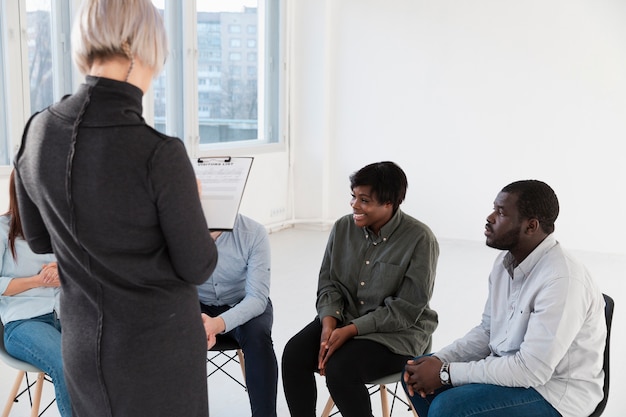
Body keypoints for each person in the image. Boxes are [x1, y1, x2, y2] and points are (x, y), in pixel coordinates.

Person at [13, 1, 218, 416]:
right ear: (140, 46)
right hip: (159, 354)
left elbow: (37, 239)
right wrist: (192, 204)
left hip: (83, 345)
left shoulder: (36, 131)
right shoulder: (160, 153)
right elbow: (198, 266)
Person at [402, 180, 606, 417]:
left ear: (531, 226)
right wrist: (439, 360)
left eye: (501, 213)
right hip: (511, 373)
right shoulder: (504, 264)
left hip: (555, 394)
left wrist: (445, 372)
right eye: (493, 209)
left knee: (448, 408)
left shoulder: (562, 279)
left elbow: (531, 371)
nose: (489, 218)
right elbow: (488, 331)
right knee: (414, 372)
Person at [281, 161, 439, 417]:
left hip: (398, 335)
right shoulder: (343, 227)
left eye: (364, 200)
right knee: (294, 354)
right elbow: (329, 283)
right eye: (353, 197)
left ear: (389, 203)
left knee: (341, 369)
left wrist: (350, 330)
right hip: (345, 318)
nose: (355, 205)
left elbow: (406, 310)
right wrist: (329, 324)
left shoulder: (420, 239)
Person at [1, 171, 71, 417]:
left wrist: (64, 273)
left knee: (113, 356)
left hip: (69, 318)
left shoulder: (61, 229)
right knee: (67, 365)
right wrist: (36, 281)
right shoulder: (2, 229)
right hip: (25, 322)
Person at [199, 213, 278, 417]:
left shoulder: (253, 233)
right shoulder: (176, 230)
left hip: (243, 304)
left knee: (258, 337)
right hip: (195, 306)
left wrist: (217, 324)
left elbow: (257, 298)